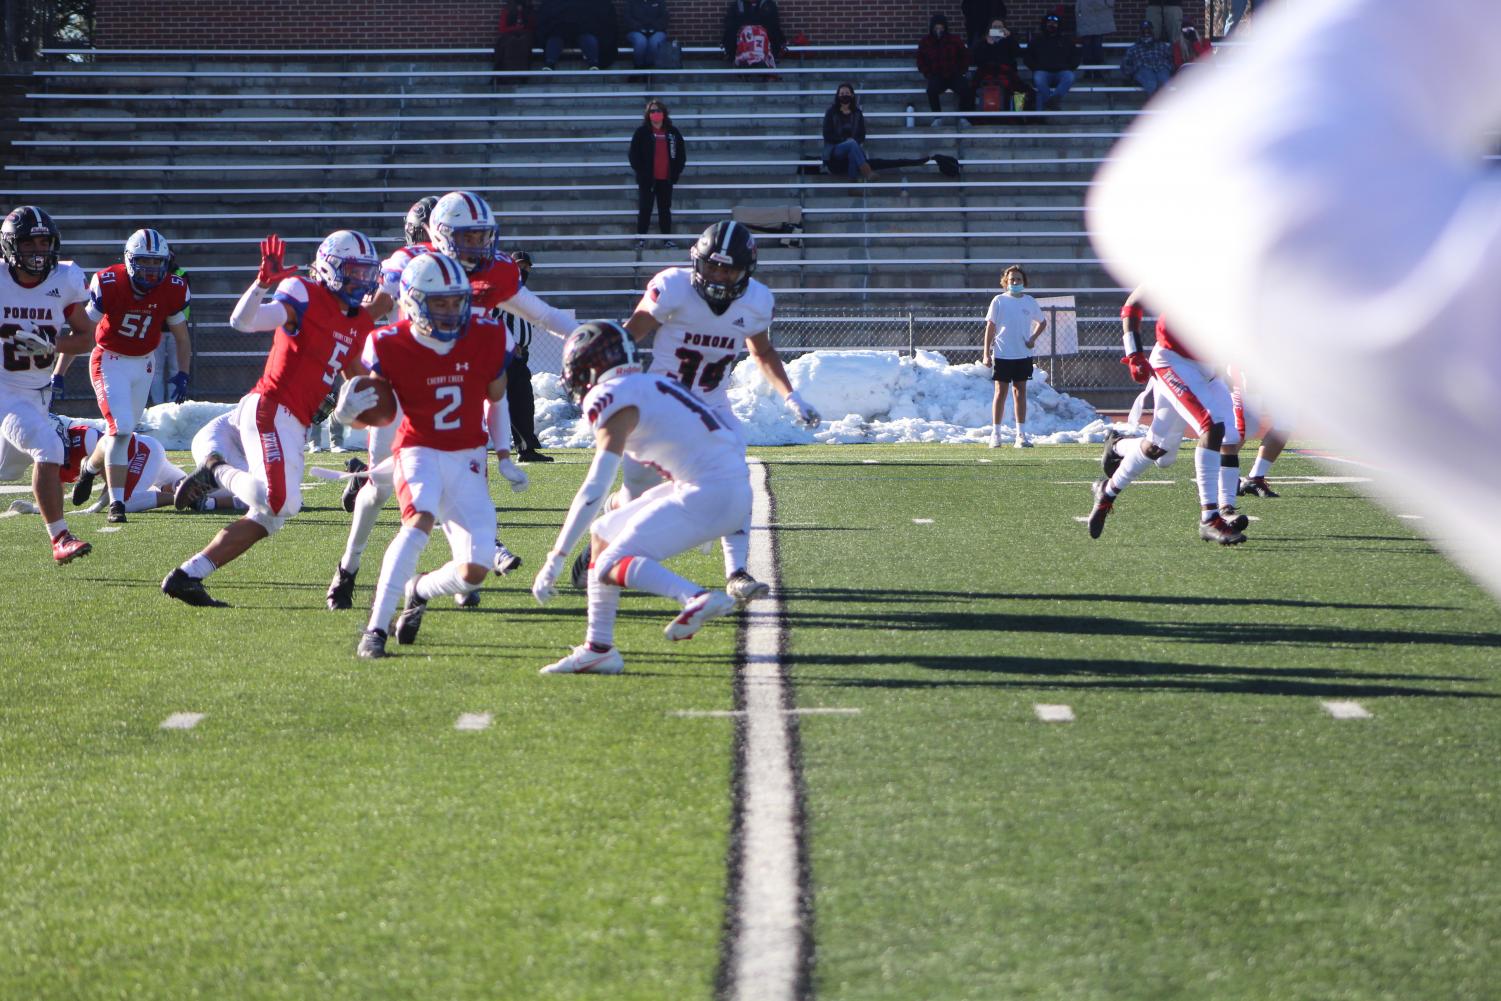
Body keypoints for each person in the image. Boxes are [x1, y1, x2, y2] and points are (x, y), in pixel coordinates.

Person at [327, 190, 574, 612]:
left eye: (483, 237)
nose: (479, 247)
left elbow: (543, 314)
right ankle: (348, 568)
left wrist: (596, 337)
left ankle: (469, 563)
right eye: (469, 237)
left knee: (458, 477)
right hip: (405, 385)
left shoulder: (494, 273)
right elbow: (372, 313)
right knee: (377, 488)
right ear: (441, 235)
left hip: (456, 383)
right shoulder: (409, 264)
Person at [565, 220, 819, 601]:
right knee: (636, 497)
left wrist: (790, 395)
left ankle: (737, 572)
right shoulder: (673, 286)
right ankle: (609, 523)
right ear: (696, 262)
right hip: (661, 407)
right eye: (712, 265)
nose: (718, 275)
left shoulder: (757, 301)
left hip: (711, 407)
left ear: (746, 271)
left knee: (735, 478)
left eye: (727, 268)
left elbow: (761, 351)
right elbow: (627, 335)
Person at [161, 230, 380, 607]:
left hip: (296, 424)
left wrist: (387, 408)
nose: (361, 282)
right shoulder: (303, 293)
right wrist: (261, 285)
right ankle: (216, 472)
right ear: (329, 269)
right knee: (279, 501)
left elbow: (362, 384)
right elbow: (243, 322)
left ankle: (187, 575)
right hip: (271, 406)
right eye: (354, 273)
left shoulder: (359, 322)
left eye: (366, 274)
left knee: (273, 515)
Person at [530, 321, 748, 675]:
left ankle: (694, 597)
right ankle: (598, 649)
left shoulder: (611, 396)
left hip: (707, 492)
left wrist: (556, 557)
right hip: (722, 488)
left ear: (591, 367)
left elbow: (595, 487)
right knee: (604, 531)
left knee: (607, 566)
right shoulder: (655, 383)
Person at [355, 253, 513, 659]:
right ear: (411, 300)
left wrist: (504, 453)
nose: (449, 311)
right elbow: (373, 415)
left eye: (455, 301)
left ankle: (419, 589)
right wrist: (345, 412)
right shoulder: (388, 343)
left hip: (468, 459)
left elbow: (497, 396)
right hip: (419, 448)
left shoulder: (488, 334)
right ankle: (375, 629)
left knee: (474, 573)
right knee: (419, 520)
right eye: (438, 302)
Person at [1085, 288, 1246, 544]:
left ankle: (1108, 489)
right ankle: (1210, 518)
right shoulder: (1177, 264)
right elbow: (1132, 306)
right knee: (1212, 425)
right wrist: (1134, 354)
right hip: (1173, 361)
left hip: (1210, 367)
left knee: (1158, 448)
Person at [57, 228, 192, 524]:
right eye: (145, 261)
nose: (152, 269)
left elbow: (182, 337)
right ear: (131, 260)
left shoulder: (173, 288)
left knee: (122, 432)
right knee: (120, 428)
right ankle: (117, 503)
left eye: (157, 263)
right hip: (110, 359)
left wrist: (183, 372)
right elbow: (83, 333)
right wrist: (59, 373)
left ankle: (89, 468)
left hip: (143, 363)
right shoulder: (110, 283)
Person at [0, 205, 97, 564]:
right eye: (30, 243)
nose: (39, 251)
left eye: (44, 242)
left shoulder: (65, 278)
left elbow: (88, 338)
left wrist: (52, 345)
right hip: (4, 387)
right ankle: (60, 537)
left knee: (6, 470)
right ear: (11, 247)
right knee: (50, 448)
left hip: (36, 392)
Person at [981, 265, 1046, 448]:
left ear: (1023, 281)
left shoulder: (1029, 301)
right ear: (1006, 282)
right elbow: (990, 327)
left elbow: (1042, 322)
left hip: (1022, 354)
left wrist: (1033, 338)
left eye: (1018, 279)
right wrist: (986, 353)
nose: (1015, 282)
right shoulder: (999, 301)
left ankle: (1021, 435)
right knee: (1000, 392)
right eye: (1012, 280)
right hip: (1003, 353)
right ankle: (996, 433)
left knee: (1020, 392)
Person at [497, 250, 552, 463]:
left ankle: (526, 447)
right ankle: (523, 447)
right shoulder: (502, 292)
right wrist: (508, 344)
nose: (524, 271)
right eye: (520, 266)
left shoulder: (523, 294)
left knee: (523, 401)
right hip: (505, 355)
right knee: (516, 401)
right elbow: (491, 321)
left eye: (527, 267)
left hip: (519, 355)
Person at [628, 98, 687, 249]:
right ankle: (641, 239)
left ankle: (666, 239)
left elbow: (681, 155)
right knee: (645, 208)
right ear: (648, 114)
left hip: (666, 179)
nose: (655, 114)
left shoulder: (672, 133)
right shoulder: (642, 132)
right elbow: (633, 155)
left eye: (658, 111)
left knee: (665, 210)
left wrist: (675, 174)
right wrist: (642, 174)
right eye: (652, 111)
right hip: (648, 180)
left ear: (664, 113)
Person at [917, 13, 974, 127]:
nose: (939, 30)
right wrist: (928, 73)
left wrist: (962, 70)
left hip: (954, 74)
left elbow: (965, 55)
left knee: (966, 89)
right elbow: (920, 60)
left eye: (941, 27)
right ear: (932, 28)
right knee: (931, 91)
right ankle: (938, 117)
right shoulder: (926, 41)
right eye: (936, 27)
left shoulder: (954, 40)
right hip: (936, 75)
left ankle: (964, 117)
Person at [1023, 12, 1081, 111]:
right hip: (1042, 71)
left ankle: (1052, 101)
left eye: (1054, 23)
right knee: (1038, 78)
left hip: (1062, 71)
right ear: (1045, 24)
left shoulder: (1066, 40)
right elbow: (1027, 57)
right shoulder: (1036, 40)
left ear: (1059, 25)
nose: (1052, 25)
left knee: (1069, 76)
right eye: (1049, 22)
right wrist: (1035, 67)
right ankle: (1051, 103)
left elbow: (1076, 56)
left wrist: (1070, 67)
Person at [537, 0, 616, 71]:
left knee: (585, 34)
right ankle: (550, 62)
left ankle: (593, 63)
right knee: (557, 35)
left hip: (581, 28)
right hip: (570, 28)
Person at [822, 82, 877, 182]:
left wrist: (853, 141)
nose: (844, 96)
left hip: (853, 147)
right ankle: (867, 172)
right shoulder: (831, 112)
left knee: (852, 149)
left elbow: (862, 134)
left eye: (847, 93)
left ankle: (853, 186)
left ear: (852, 95)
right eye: (842, 94)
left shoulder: (857, 113)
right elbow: (827, 134)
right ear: (838, 96)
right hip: (835, 149)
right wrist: (845, 140)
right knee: (851, 144)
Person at [970, 18, 1023, 111]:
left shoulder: (1008, 40)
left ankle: (1018, 113)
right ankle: (974, 115)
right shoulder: (983, 42)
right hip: (987, 72)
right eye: (995, 27)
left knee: (1020, 89)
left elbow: (1017, 53)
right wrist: (988, 45)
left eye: (1000, 27)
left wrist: (1009, 37)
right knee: (971, 89)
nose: (998, 29)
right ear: (990, 29)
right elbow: (977, 59)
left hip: (1006, 71)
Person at [722, 0, 785, 68]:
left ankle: (764, 62)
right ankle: (741, 60)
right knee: (739, 32)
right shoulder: (737, 5)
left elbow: (774, 25)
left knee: (763, 32)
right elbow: (730, 24)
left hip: (763, 41)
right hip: (743, 41)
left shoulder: (768, 5)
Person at [1119, 20, 1173, 97]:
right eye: (1144, 30)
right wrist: (1135, 70)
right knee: (1151, 83)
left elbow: (1171, 60)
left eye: (1148, 29)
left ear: (1152, 31)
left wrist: (1166, 66)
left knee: (1165, 82)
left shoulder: (1162, 46)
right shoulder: (1133, 48)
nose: (1146, 32)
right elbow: (1124, 66)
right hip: (1143, 69)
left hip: (1161, 68)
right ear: (1140, 31)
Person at [625, 0, 671, 70]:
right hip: (635, 31)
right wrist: (640, 28)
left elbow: (665, 17)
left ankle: (648, 69)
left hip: (657, 31)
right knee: (641, 42)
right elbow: (627, 17)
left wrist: (654, 28)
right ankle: (638, 68)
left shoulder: (660, 1)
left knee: (655, 43)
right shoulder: (631, 2)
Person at [493, 0, 535, 75]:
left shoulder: (528, 10)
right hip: (510, 38)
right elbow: (502, 29)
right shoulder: (507, 10)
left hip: (524, 39)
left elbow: (531, 28)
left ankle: (521, 75)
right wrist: (516, 28)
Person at [1074, 0, 1115, 72]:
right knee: (1094, 42)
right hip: (1095, 10)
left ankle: (1090, 70)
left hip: (1090, 10)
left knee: (1090, 42)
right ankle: (1096, 70)